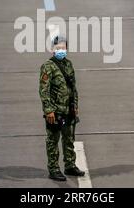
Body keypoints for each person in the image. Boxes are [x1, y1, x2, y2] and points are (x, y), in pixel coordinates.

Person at [39, 35, 85, 181]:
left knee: (69, 138)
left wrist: (75, 105)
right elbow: (43, 90)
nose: (61, 50)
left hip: (68, 110)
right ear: (52, 49)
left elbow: (73, 87)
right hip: (55, 111)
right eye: (58, 48)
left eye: (63, 48)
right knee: (53, 140)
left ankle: (70, 165)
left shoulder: (68, 64)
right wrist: (48, 110)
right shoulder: (48, 66)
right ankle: (53, 168)